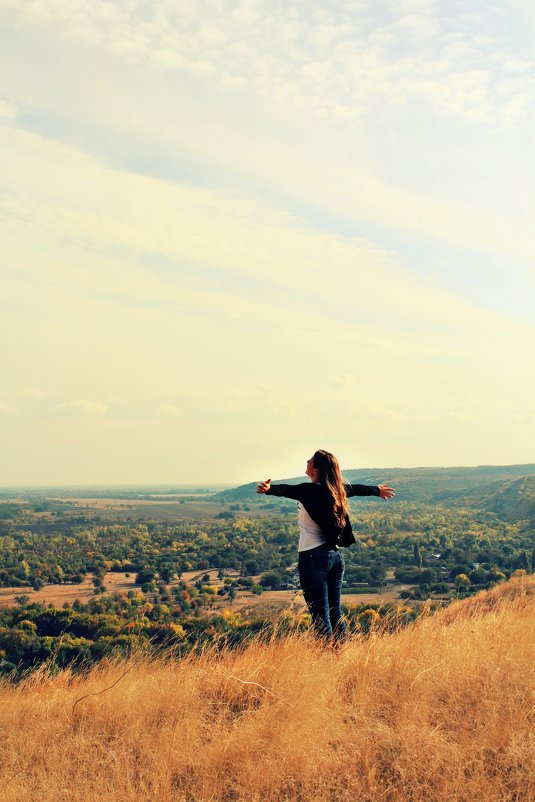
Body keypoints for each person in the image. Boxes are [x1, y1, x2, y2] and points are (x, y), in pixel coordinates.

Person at [257, 449, 395, 641]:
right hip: (335, 557)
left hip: (313, 559)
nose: (307, 461)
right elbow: (355, 489)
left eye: (310, 460)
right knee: (334, 612)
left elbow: (286, 490)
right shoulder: (337, 490)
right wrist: (377, 490)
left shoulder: (308, 490)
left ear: (316, 469)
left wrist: (268, 489)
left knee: (320, 616)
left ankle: (328, 658)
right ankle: (341, 652)